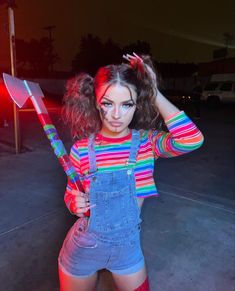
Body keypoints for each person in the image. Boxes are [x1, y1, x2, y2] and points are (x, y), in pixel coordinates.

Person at [58, 53, 204, 291]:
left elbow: (191, 139)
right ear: (95, 102)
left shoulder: (148, 143)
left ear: (137, 104)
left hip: (128, 248)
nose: (117, 115)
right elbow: (70, 193)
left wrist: (153, 90)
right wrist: (74, 204)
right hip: (84, 247)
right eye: (107, 103)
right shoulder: (81, 150)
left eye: (127, 104)